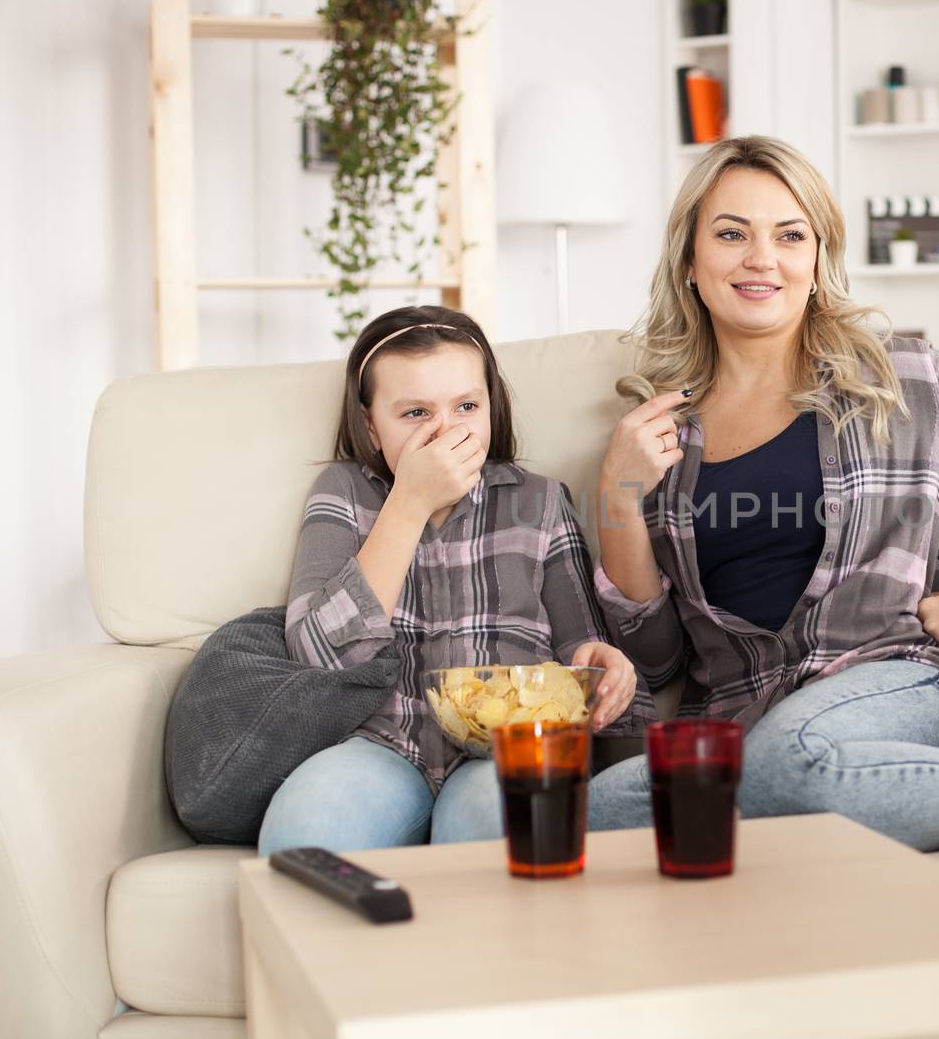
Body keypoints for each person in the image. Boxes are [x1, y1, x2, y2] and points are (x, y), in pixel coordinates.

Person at [588, 137, 939, 851]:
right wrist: (618, 493)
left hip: (895, 684)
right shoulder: (659, 428)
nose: (762, 257)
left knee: (789, 765)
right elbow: (659, 658)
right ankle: (858, 802)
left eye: (789, 235)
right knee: (591, 817)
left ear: (817, 263)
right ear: (691, 264)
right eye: (732, 233)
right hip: (740, 722)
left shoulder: (906, 378)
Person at [258, 305, 652, 857]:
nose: (446, 430)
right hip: (381, 744)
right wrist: (409, 502)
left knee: (498, 825)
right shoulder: (343, 492)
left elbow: (578, 653)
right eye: (416, 412)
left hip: (507, 748)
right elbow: (320, 657)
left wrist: (600, 665)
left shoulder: (539, 500)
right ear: (371, 425)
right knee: (306, 830)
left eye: (467, 406)